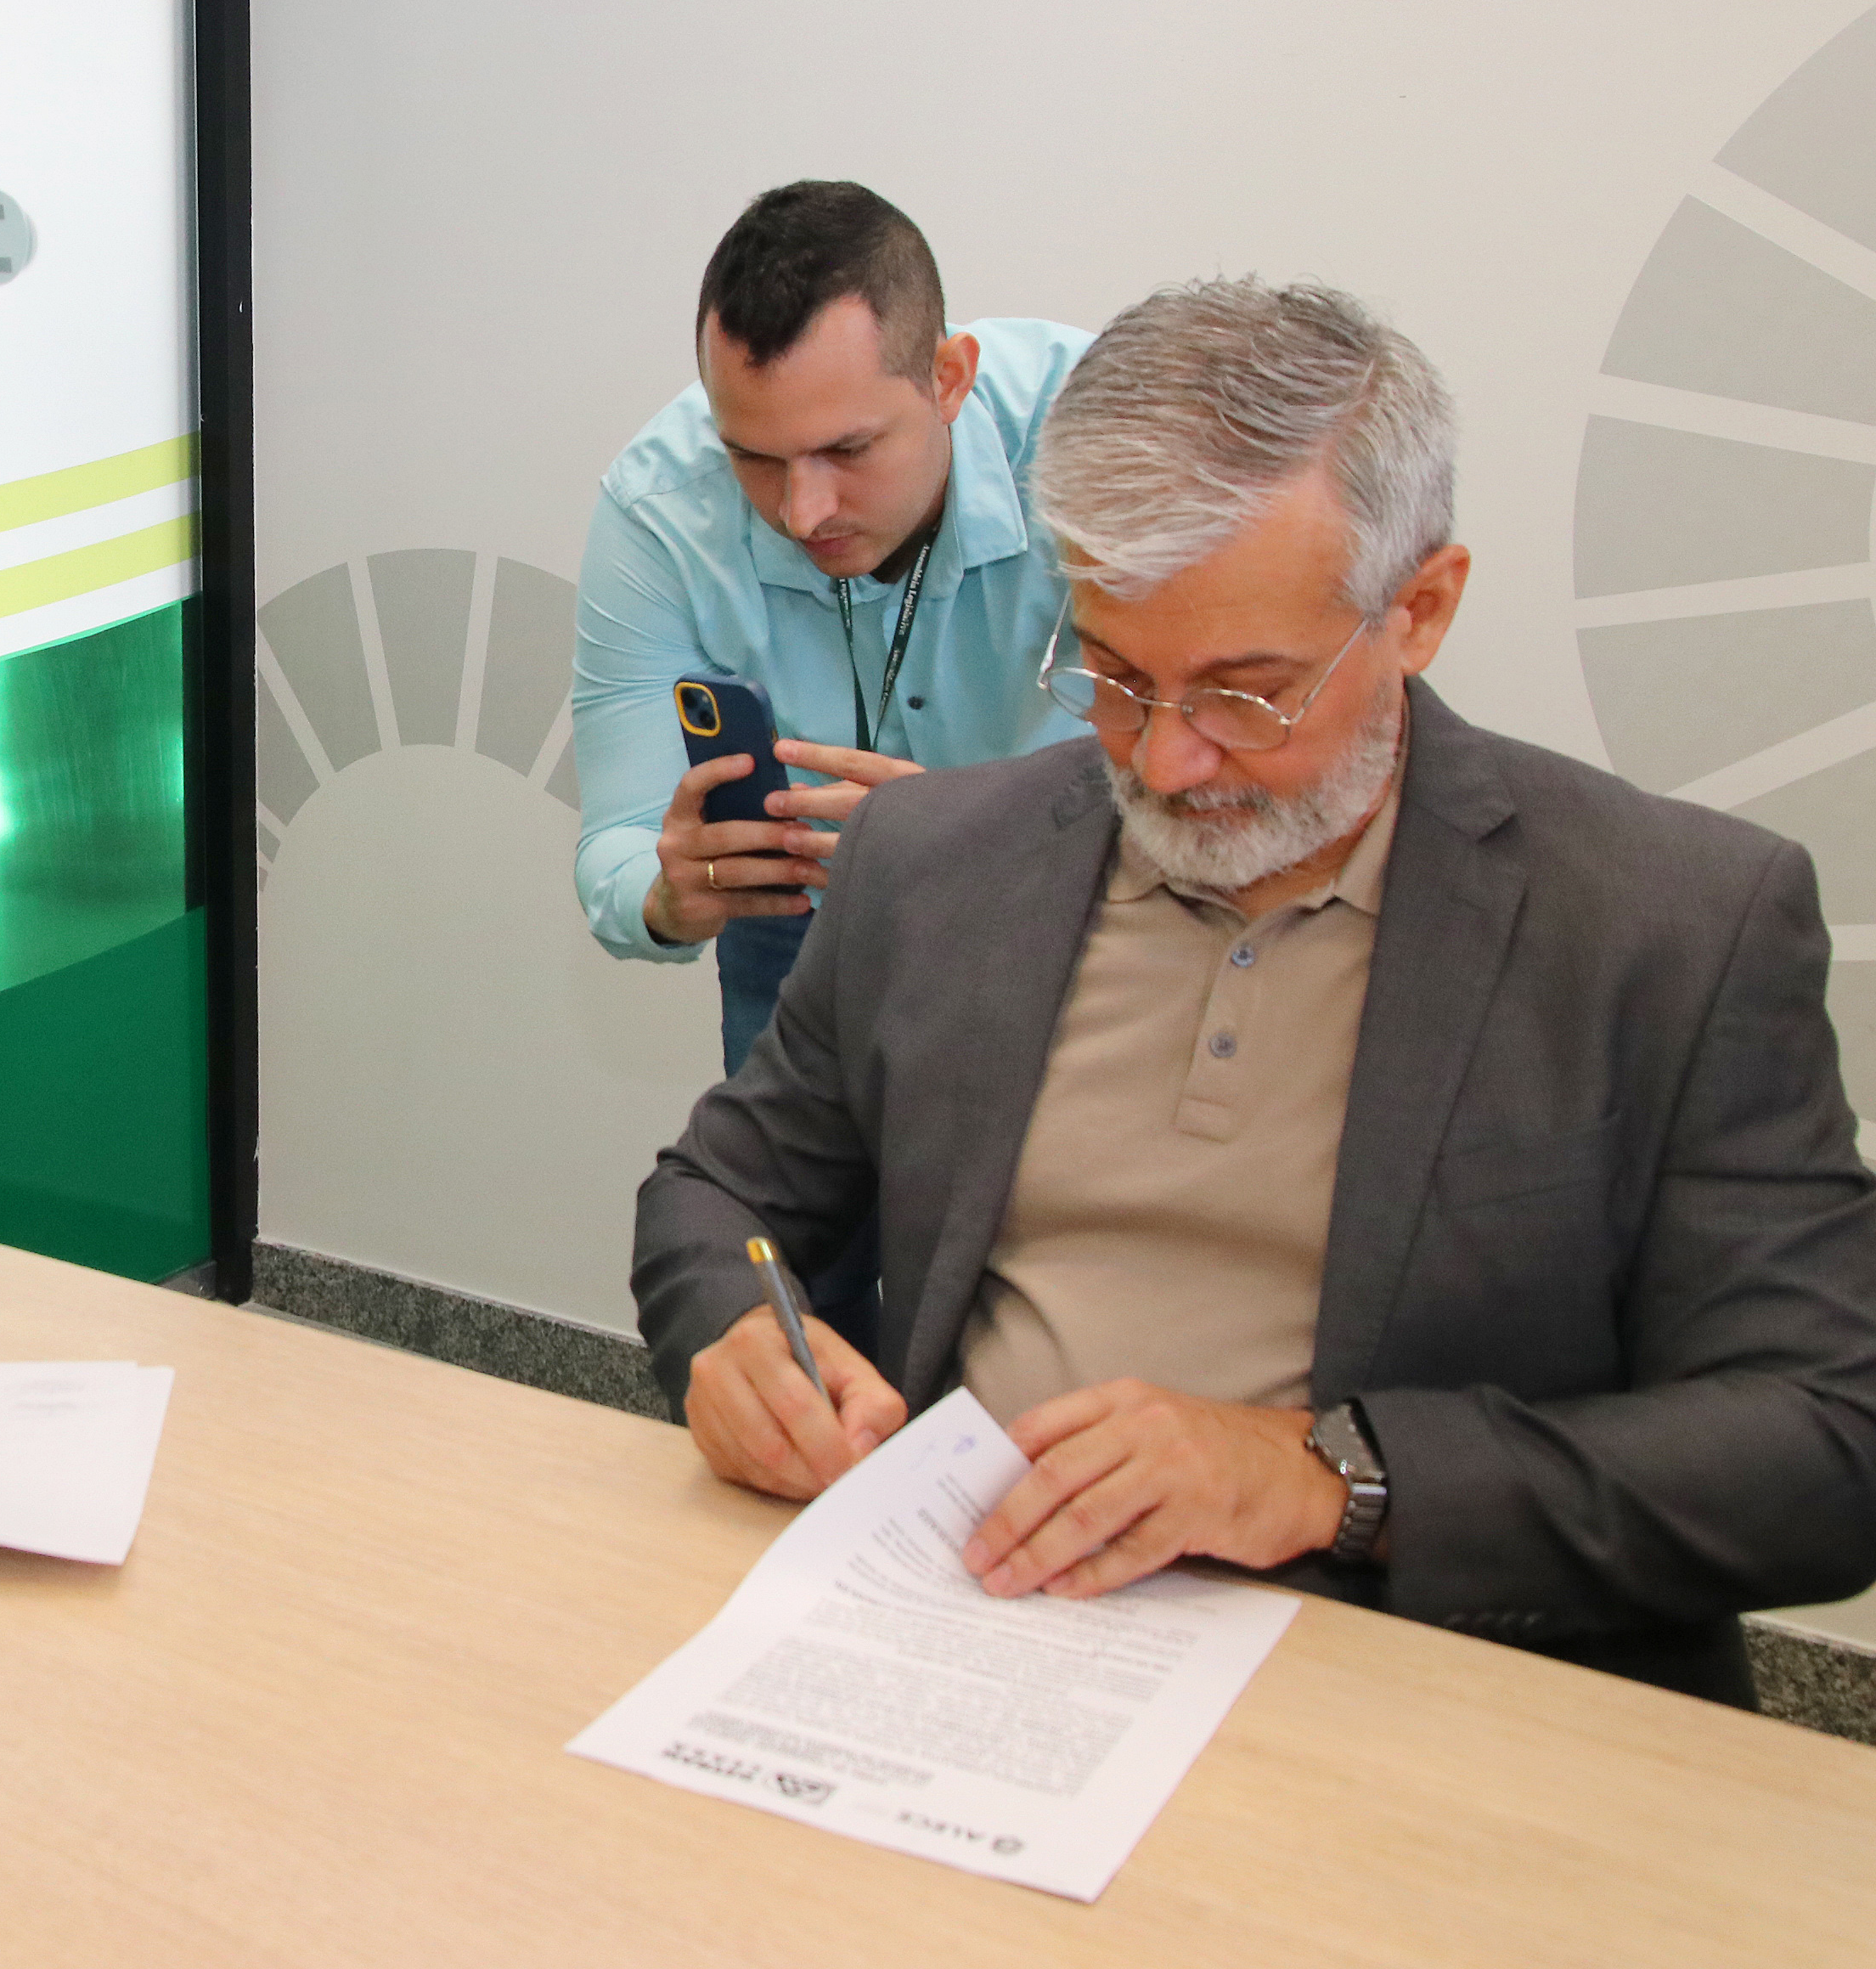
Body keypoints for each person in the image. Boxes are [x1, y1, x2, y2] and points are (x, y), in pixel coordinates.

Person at [631, 277, 1876, 1706]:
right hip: (973, 1642)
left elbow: (1826, 1444)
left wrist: (1329, 1476)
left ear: (1420, 610)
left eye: (1247, 693)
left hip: (1437, 1699)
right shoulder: (936, 862)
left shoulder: (1671, 926)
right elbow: (714, 1195)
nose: (1163, 765)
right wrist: (736, 1341)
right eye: (1111, 672)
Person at [572, 179, 1090, 1341]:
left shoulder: (1110, 444)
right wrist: (666, 893)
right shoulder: (660, 507)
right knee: (793, 1301)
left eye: (849, 450)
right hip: (799, 905)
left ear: (949, 378)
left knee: (1030, 1311)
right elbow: (611, 851)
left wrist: (970, 835)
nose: (803, 509)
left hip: (1066, 906)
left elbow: (1214, 789)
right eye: (756, 458)